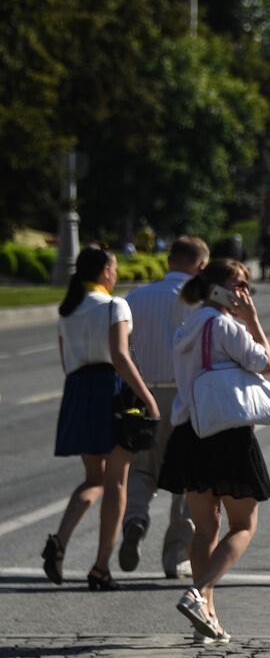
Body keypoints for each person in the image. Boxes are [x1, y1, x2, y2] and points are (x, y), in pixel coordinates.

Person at [159, 259, 270, 642]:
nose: (244, 292)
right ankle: (199, 593)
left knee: (205, 526)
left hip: (191, 432)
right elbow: (267, 363)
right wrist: (253, 319)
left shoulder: (188, 324)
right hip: (227, 433)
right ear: (220, 288)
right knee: (244, 525)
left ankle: (206, 615)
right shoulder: (226, 325)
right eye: (239, 284)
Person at [44, 246, 162, 590]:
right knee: (117, 482)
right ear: (104, 272)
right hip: (110, 391)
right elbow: (121, 357)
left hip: (78, 390)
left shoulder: (68, 310)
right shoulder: (115, 305)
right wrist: (147, 397)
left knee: (93, 478)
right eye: (113, 267)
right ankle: (100, 568)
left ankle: (60, 540)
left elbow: (67, 361)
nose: (115, 273)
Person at [119, 236, 208, 579]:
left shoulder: (137, 297)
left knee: (143, 470)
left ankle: (136, 520)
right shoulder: (201, 302)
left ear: (169, 260)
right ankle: (175, 556)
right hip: (186, 398)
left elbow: (122, 348)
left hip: (144, 395)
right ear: (200, 266)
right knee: (188, 480)